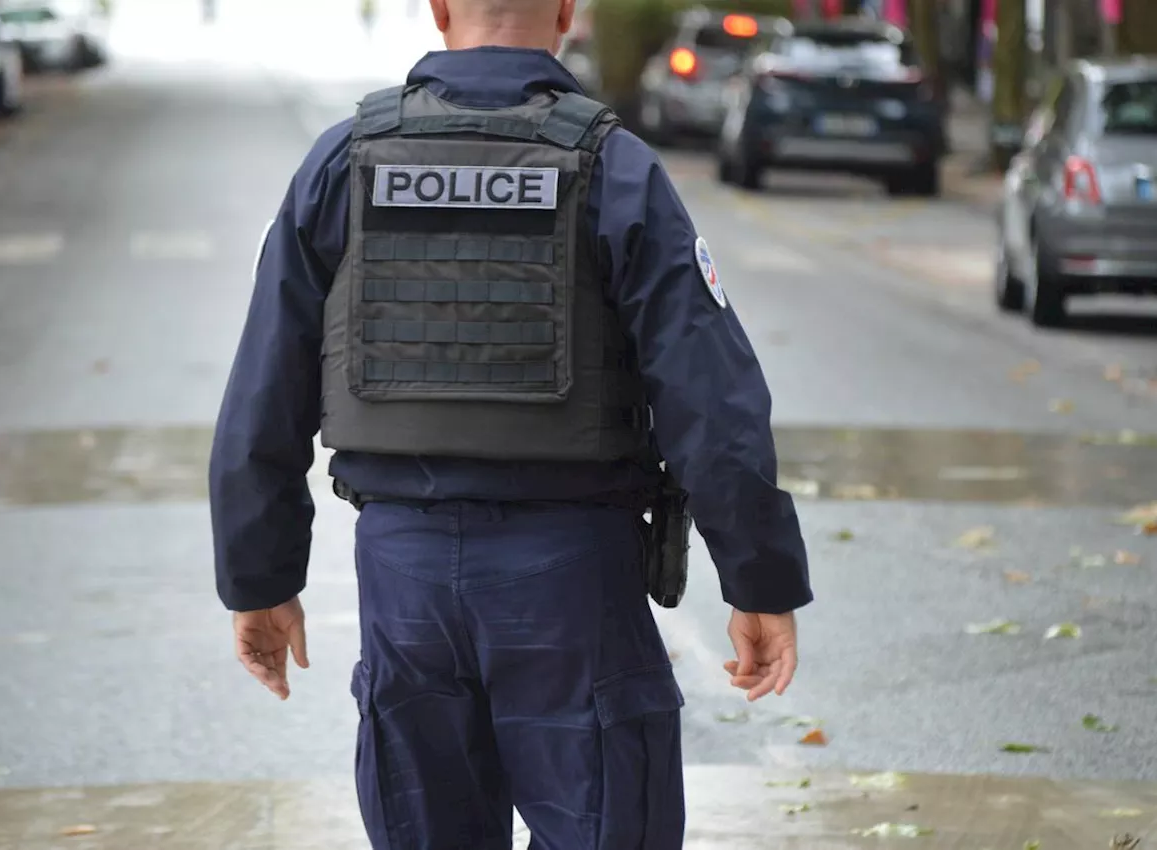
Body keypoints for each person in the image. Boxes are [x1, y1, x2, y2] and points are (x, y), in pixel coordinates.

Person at [208, 0, 814, 846]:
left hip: (403, 582)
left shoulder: (343, 162)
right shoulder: (614, 166)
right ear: (566, 10)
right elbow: (711, 400)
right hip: (571, 581)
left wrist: (260, 578)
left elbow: (264, 389)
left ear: (440, 8)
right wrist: (760, 581)